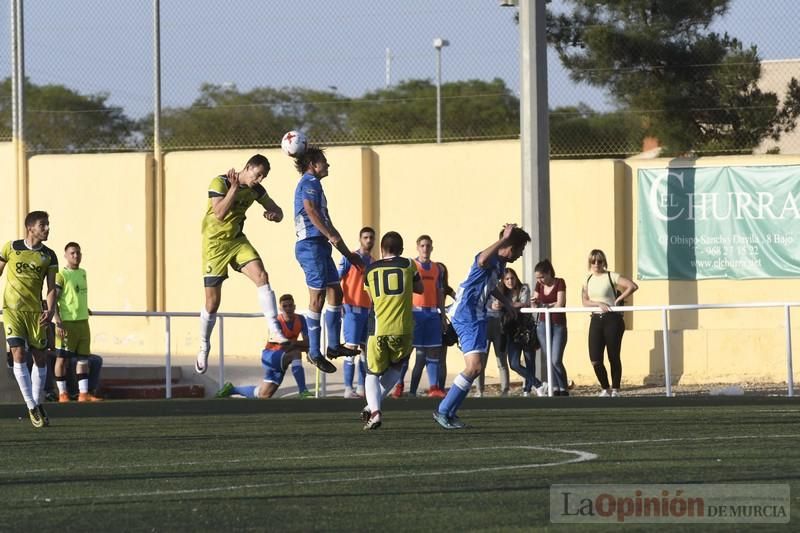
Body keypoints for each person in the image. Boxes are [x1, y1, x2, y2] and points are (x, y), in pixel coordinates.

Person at [197, 154, 289, 375]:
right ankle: (203, 344)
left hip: (237, 241)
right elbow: (219, 213)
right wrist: (234, 189)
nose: (260, 180)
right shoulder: (220, 182)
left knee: (262, 276)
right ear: (247, 167)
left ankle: (274, 329)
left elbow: (280, 212)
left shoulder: (256, 190)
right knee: (212, 303)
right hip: (214, 245)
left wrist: (274, 215)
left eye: (263, 177)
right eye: (258, 175)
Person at [433, 224, 531, 430]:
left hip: (475, 315)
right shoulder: (490, 258)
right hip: (467, 314)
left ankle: (449, 413)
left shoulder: (501, 264)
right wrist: (504, 239)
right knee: (475, 367)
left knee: (475, 368)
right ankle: (443, 411)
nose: (521, 255)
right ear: (511, 247)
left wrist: (506, 302)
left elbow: (490, 286)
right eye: (521, 249)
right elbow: (481, 260)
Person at [293, 145, 363, 374]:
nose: (327, 164)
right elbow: (310, 211)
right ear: (313, 165)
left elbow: (329, 226)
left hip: (321, 246)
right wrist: (330, 235)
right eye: (323, 161)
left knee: (336, 292)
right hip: (310, 246)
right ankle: (314, 352)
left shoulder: (317, 186)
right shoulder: (309, 183)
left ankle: (333, 346)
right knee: (318, 297)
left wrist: (349, 255)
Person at [0, 211, 59, 427]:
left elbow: (51, 287)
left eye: (47, 225)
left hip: (36, 313)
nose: (47, 229)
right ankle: (31, 406)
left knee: (40, 359)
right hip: (12, 310)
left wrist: (50, 310)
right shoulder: (11, 248)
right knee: (18, 353)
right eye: (43, 225)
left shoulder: (49, 256)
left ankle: (36, 401)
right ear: (30, 228)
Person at [360, 231, 423, 429]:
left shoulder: (369, 270)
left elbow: (371, 299)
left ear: (381, 249)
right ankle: (371, 407)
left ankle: (375, 411)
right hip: (402, 329)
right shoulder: (408, 264)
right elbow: (420, 288)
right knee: (396, 367)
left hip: (378, 328)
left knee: (372, 372)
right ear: (401, 250)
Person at [216, 294, 313, 399]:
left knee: (264, 394)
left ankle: (231, 389)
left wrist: (305, 349)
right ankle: (303, 391)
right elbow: (284, 345)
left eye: (290, 305)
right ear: (280, 308)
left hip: (283, 357)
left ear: (294, 306)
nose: (288, 308)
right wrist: (300, 345)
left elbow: (307, 342)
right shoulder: (276, 322)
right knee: (296, 353)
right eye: (285, 306)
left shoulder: (301, 319)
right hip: (271, 355)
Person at [393, 235, 446, 399]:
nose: (425, 249)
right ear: (417, 247)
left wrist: (442, 315)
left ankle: (433, 387)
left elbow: (439, 292)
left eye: (428, 246)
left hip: (431, 313)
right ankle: (399, 384)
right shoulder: (411, 265)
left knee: (433, 352)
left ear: (432, 247)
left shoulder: (437, 268)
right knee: (407, 352)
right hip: (414, 312)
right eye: (422, 245)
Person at [581, 249, 639, 397]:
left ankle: (616, 389)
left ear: (604, 262)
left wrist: (619, 300)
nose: (596, 264)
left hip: (612, 319)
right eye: (593, 261)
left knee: (613, 355)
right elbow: (585, 301)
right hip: (596, 318)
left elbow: (632, 286)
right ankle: (605, 387)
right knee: (595, 359)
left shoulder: (611, 275)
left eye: (599, 261)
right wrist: (597, 304)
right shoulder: (587, 279)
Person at [52, 242, 102, 402]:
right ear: (66, 255)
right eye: (72, 253)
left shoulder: (83, 273)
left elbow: (75, 295)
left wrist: (84, 308)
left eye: (78, 253)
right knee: (62, 359)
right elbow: (54, 299)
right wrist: (58, 321)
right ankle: (62, 394)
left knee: (83, 359)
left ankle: (83, 393)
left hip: (83, 323)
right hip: (67, 324)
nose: (76, 256)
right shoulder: (61, 275)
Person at [338, 227, 375, 398]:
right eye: (365, 237)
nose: (369, 240)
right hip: (351, 308)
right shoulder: (349, 258)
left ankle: (361, 387)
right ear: (360, 239)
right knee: (351, 348)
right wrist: (338, 304)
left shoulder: (374, 262)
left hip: (367, 311)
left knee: (365, 350)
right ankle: (347, 388)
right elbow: (336, 279)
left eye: (371, 237)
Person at [499, 267, 547, 397]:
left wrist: (506, 304)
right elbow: (494, 304)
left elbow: (524, 303)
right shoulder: (501, 291)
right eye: (507, 279)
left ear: (516, 278)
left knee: (530, 360)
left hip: (525, 328)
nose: (510, 281)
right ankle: (538, 384)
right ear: (503, 281)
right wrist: (506, 304)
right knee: (514, 364)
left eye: (512, 278)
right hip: (510, 330)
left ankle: (527, 389)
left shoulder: (524, 288)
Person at [532, 259, 569, 396]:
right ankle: (555, 387)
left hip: (558, 324)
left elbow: (561, 304)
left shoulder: (560, 282)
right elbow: (535, 305)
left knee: (556, 359)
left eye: (542, 277)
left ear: (549, 273)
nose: (540, 280)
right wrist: (536, 303)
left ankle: (563, 387)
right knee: (549, 359)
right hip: (542, 324)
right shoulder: (538, 286)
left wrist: (546, 305)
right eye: (538, 278)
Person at [478, 292, 510, 397]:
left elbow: (508, 303)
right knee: (481, 362)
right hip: (484, 324)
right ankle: (479, 391)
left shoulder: (501, 288)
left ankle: (505, 390)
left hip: (499, 324)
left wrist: (503, 305)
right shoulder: (482, 287)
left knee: (502, 361)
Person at [437, 261, 457, 391]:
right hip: (427, 320)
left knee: (441, 358)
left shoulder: (447, 289)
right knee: (423, 357)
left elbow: (459, 300)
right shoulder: (426, 286)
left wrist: (447, 309)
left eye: (442, 272)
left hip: (441, 321)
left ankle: (441, 387)